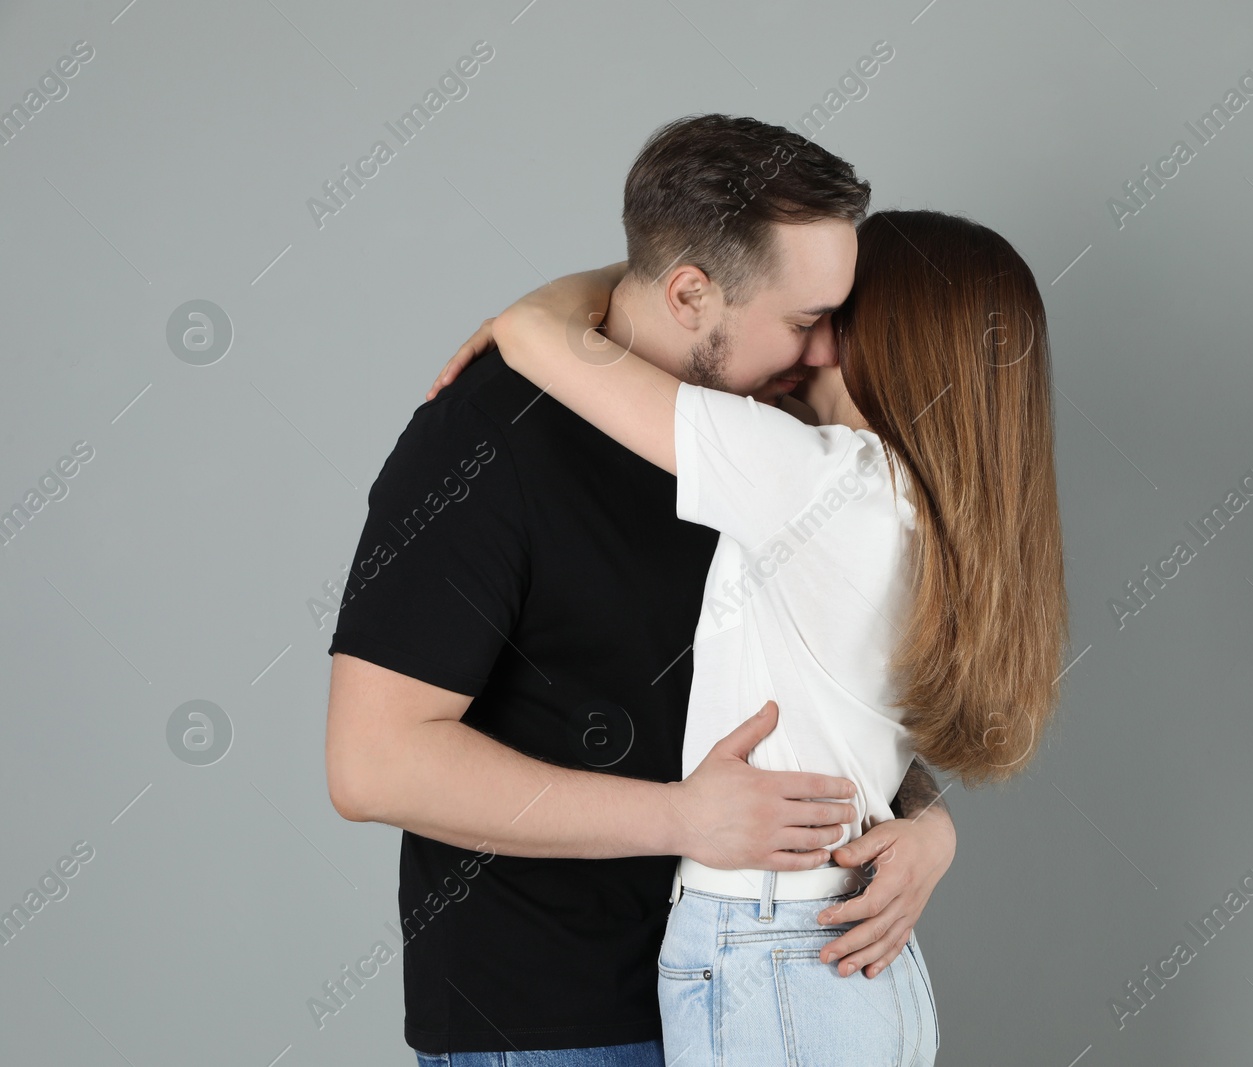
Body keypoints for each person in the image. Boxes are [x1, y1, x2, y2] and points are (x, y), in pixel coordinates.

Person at [323, 114, 959, 1066]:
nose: (829, 352)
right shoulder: (484, 442)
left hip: (753, 1002)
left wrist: (926, 825)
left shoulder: (780, 448)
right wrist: (679, 817)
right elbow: (372, 764)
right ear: (691, 292)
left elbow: (804, 690)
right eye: (802, 321)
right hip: (555, 1023)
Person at [434, 208, 1069, 1064]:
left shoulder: (811, 480)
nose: (803, 340)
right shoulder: (935, 515)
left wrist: (585, 299)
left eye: (823, 317)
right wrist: (935, 828)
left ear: (876, 337)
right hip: (859, 974)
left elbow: (538, 331)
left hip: (774, 961)